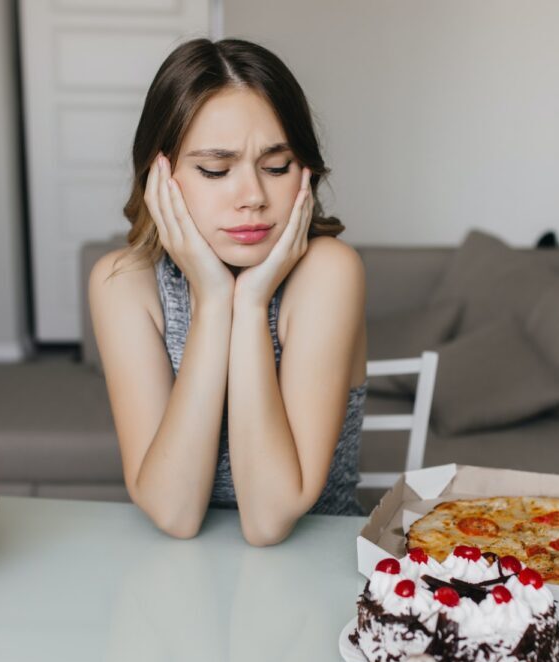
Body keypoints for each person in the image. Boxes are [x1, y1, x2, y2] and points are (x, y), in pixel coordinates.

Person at [88, 38, 368, 546]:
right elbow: (174, 512)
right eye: (216, 170)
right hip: (181, 576)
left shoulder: (329, 272)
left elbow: (269, 519)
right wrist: (213, 300)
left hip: (315, 568)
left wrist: (253, 300)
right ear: (161, 174)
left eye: (277, 166)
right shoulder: (123, 284)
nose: (254, 198)